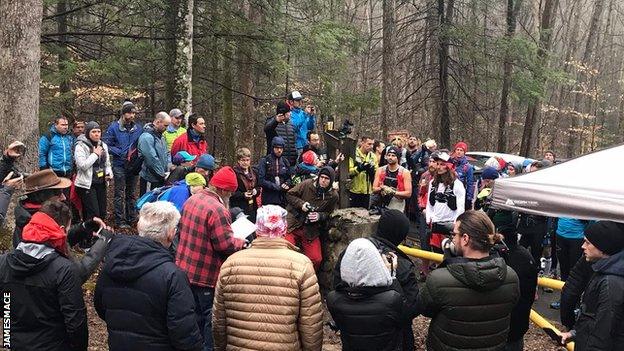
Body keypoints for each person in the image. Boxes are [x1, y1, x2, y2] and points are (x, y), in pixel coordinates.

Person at [94, 201, 203, 351]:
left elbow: (101, 306)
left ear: (139, 227)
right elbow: (184, 333)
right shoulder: (173, 276)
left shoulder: (111, 264)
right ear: (171, 234)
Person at [212, 205, 323, 351]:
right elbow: (311, 323)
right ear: (284, 228)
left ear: (257, 228)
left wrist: (220, 347)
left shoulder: (231, 264)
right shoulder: (301, 265)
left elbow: (218, 320)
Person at [418, 210, 520, 351]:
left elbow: (425, 309)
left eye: (454, 234)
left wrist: (448, 263)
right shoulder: (511, 277)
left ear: (465, 239)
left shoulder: (438, 280)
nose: (452, 239)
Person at [0, 201, 88, 351]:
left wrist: (9, 340)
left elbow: (5, 309)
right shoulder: (64, 270)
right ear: (61, 230)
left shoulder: (4, 262)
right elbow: (75, 321)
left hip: (16, 343)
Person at [176, 166, 246, 350]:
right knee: (209, 322)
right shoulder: (218, 210)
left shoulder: (192, 200)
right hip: (206, 277)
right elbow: (225, 245)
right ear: (223, 190)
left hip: (185, 271)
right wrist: (242, 242)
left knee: (192, 320)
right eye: (230, 193)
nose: (230, 196)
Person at [334, 210, 419, 350]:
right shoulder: (401, 264)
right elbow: (411, 308)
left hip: (352, 334)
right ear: (400, 235)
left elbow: (338, 285)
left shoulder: (353, 253)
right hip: (390, 338)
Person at [12, 169, 113, 283]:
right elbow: (77, 275)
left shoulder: (32, 220)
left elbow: (57, 240)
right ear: (43, 197)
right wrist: (103, 242)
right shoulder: (35, 228)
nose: (64, 197)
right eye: (58, 193)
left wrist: (84, 228)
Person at [327, 238, 404, 351]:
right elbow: (404, 312)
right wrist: (391, 274)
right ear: (376, 264)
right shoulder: (391, 300)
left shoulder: (333, 299)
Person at [560, 221, 624, 350]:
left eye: (588, 242)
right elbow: (594, 321)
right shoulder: (602, 270)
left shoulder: (610, 283)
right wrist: (573, 333)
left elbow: (603, 334)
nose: (583, 246)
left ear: (603, 247)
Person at [285, 166, 339, 270]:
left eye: (327, 179)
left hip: (310, 228)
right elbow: (289, 194)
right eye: (321, 177)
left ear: (331, 180)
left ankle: (306, 277)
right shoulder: (307, 184)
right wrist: (301, 204)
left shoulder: (333, 196)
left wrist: (320, 216)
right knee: (287, 253)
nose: (323, 180)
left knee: (316, 259)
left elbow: (329, 213)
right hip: (293, 223)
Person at [103, 100, 143, 228]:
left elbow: (141, 143)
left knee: (131, 194)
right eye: (130, 113)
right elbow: (107, 145)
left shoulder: (138, 128)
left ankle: (131, 218)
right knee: (119, 193)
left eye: (134, 113)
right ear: (124, 114)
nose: (132, 116)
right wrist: (121, 152)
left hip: (133, 165)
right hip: (119, 164)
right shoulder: (113, 128)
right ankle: (120, 220)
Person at [426, 151, 465, 252]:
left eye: (442, 164)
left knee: (448, 253)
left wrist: (455, 225)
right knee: (435, 252)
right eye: (437, 164)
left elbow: (461, 208)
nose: (438, 167)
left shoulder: (457, 185)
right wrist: (429, 218)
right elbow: (429, 204)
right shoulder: (433, 183)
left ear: (449, 166)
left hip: (449, 226)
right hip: (435, 224)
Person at [74, 121, 113, 221]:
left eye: (99, 131)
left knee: (102, 212)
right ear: (88, 133)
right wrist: (95, 155)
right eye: (93, 132)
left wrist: (109, 173)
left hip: (100, 182)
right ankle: (90, 234)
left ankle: (99, 233)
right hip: (86, 184)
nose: (97, 134)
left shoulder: (103, 145)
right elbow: (82, 165)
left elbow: (107, 163)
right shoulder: (80, 146)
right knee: (93, 213)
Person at [138, 112, 171, 196]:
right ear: (158, 122)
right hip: (149, 178)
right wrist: (161, 174)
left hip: (159, 178)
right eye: (165, 125)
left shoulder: (161, 137)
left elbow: (165, 155)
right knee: (147, 203)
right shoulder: (146, 137)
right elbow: (151, 158)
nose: (166, 128)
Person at [371, 146, 412, 212]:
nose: (390, 157)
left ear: (398, 158)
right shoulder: (380, 170)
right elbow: (374, 189)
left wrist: (392, 192)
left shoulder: (404, 172)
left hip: (397, 203)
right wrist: (382, 188)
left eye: (393, 155)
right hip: (381, 202)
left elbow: (408, 193)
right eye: (389, 155)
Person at [258, 136, 291, 206]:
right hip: (269, 196)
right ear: (273, 148)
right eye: (277, 148)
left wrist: (287, 184)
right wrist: (275, 187)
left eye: (281, 148)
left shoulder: (285, 161)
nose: (279, 150)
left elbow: (289, 177)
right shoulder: (264, 161)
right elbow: (261, 180)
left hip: (282, 197)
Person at [229, 147, 259, 221]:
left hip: (252, 206)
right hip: (239, 207)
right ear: (238, 161)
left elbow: (258, 187)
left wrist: (256, 191)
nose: (245, 162)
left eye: (247, 160)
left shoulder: (254, 172)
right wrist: (243, 195)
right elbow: (231, 192)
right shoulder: (233, 173)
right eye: (243, 160)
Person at [264, 101, 297, 166]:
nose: (290, 114)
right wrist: (276, 121)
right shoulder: (271, 122)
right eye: (288, 112)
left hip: (291, 163)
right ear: (283, 114)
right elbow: (267, 129)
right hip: (276, 163)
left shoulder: (291, 124)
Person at [348, 136, 377, 209]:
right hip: (354, 190)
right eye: (369, 144)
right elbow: (348, 172)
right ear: (362, 143)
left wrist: (372, 171)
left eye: (372, 144)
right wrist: (359, 168)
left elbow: (377, 172)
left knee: (365, 214)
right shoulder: (353, 154)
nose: (371, 146)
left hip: (367, 191)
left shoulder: (373, 156)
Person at [450, 141, 475, 211]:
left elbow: (470, 183)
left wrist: (469, 198)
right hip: (450, 193)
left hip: (461, 194)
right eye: (457, 150)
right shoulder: (450, 163)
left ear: (464, 152)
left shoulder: (468, 167)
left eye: (461, 150)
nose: (459, 152)